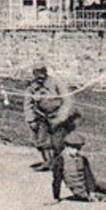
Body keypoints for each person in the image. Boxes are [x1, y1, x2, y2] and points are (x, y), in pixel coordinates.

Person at [23, 62, 78, 201]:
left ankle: (60, 165)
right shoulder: (32, 87)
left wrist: (60, 118)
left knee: (57, 142)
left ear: (46, 72)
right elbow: (28, 104)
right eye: (36, 73)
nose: (40, 76)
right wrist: (31, 120)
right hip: (41, 116)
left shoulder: (57, 83)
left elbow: (68, 100)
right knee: (41, 140)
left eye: (42, 72)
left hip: (58, 116)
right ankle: (48, 162)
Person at [57, 132, 99, 201]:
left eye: (78, 148)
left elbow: (88, 176)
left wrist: (92, 192)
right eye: (73, 148)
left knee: (104, 187)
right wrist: (56, 197)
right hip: (77, 190)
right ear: (66, 147)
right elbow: (57, 179)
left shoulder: (82, 159)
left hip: (86, 188)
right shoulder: (61, 160)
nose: (76, 151)